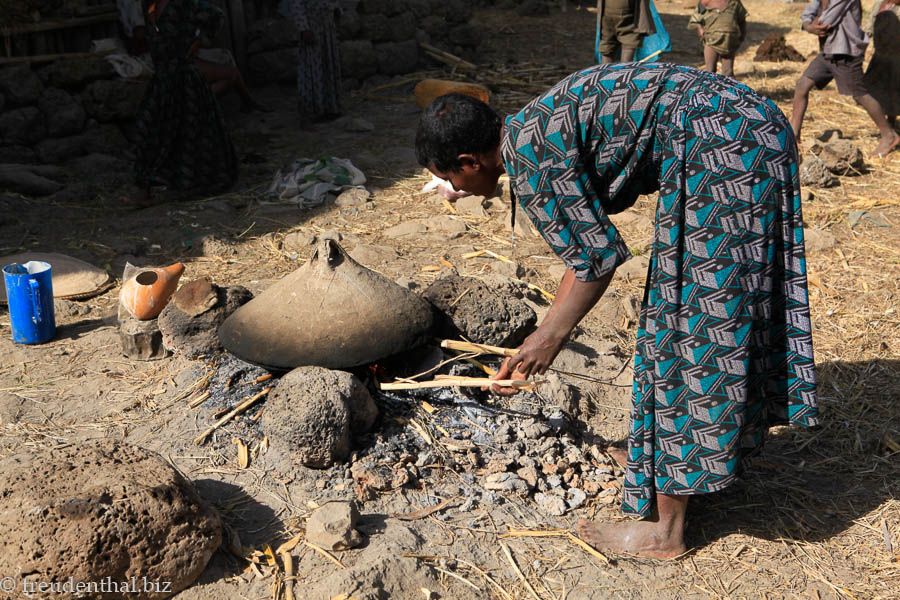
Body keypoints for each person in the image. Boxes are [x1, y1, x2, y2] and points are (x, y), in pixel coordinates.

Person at [416, 63, 820, 558]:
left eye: (446, 178)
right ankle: (671, 459)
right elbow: (588, 251)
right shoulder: (532, 124)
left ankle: (664, 532)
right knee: (704, 308)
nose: (450, 190)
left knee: (691, 324)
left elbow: (595, 261)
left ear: (469, 160)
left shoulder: (531, 156)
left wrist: (547, 339)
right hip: (745, 125)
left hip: (724, 144)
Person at [128, 0, 238, 208]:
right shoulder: (149, 6)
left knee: (195, 132)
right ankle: (145, 191)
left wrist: (199, 41)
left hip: (185, 77)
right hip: (163, 79)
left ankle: (204, 182)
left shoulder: (182, 2)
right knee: (147, 128)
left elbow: (216, 15)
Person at [790, 0, 900, 157]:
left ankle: (889, 135)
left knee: (860, 94)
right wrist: (808, 24)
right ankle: (794, 136)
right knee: (802, 86)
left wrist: (811, 24)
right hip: (828, 51)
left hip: (846, 53)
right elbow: (809, 13)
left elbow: (826, 21)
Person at [281, 0, 343, 123]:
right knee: (313, 69)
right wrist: (304, 29)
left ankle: (331, 108)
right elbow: (297, 4)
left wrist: (335, 9)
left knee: (329, 67)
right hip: (313, 30)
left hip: (327, 30)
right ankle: (314, 110)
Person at [862, 0, 900, 128]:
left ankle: (890, 124)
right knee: (874, 87)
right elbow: (869, 28)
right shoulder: (880, 4)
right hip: (880, 54)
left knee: (894, 89)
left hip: (896, 56)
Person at [688, 0, 748, 78]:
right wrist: (700, 30)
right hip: (711, 41)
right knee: (710, 71)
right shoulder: (706, 2)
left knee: (728, 73)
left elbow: (742, 20)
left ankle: (727, 89)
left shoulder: (734, 3)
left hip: (729, 42)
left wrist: (742, 35)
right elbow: (696, 19)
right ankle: (709, 89)